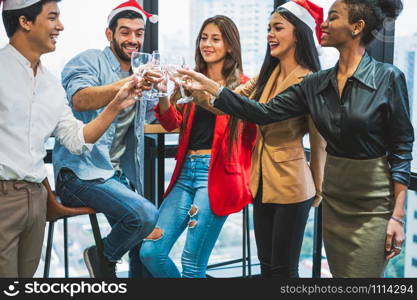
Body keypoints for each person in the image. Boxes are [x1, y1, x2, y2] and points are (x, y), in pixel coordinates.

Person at [180, 0, 413, 278]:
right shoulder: (315, 82)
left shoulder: (386, 77)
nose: (323, 24)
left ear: (356, 27)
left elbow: (398, 146)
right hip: (330, 197)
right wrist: (201, 87)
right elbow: (256, 110)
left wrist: (397, 215)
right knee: (289, 271)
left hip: (366, 198)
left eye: (333, 17)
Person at [0, 0, 146, 278]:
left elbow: (77, 139)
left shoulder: (49, 84)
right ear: (25, 22)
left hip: (36, 197)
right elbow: (81, 100)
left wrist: (116, 105)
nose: (61, 26)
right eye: (52, 17)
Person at [139, 15, 256, 278]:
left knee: (192, 265)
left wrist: (200, 92)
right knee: (150, 252)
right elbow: (171, 123)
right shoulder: (190, 80)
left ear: (230, 46)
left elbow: (245, 125)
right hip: (184, 174)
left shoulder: (244, 85)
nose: (207, 43)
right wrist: (164, 92)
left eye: (216, 38)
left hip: (215, 174)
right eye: (204, 38)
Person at [52, 0, 160, 278]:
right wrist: (128, 84)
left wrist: (165, 90)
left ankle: (110, 272)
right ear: (109, 35)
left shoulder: (140, 69)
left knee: (145, 244)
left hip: (116, 175)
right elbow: (80, 98)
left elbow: (152, 116)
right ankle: (102, 257)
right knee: (146, 216)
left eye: (138, 33)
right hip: (78, 175)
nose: (133, 39)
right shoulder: (88, 60)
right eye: (125, 32)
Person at [229, 0, 326, 278]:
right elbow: (235, 101)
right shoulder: (268, 74)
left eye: (278, 28)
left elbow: (319, 141)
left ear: (299, 33)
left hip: (293, 186)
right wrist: (198, 88)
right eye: (268, 28)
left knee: (284, 271)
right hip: (261, 181)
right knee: (267, 265)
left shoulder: (309, 81)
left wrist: (318, 188)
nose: (270, 34)